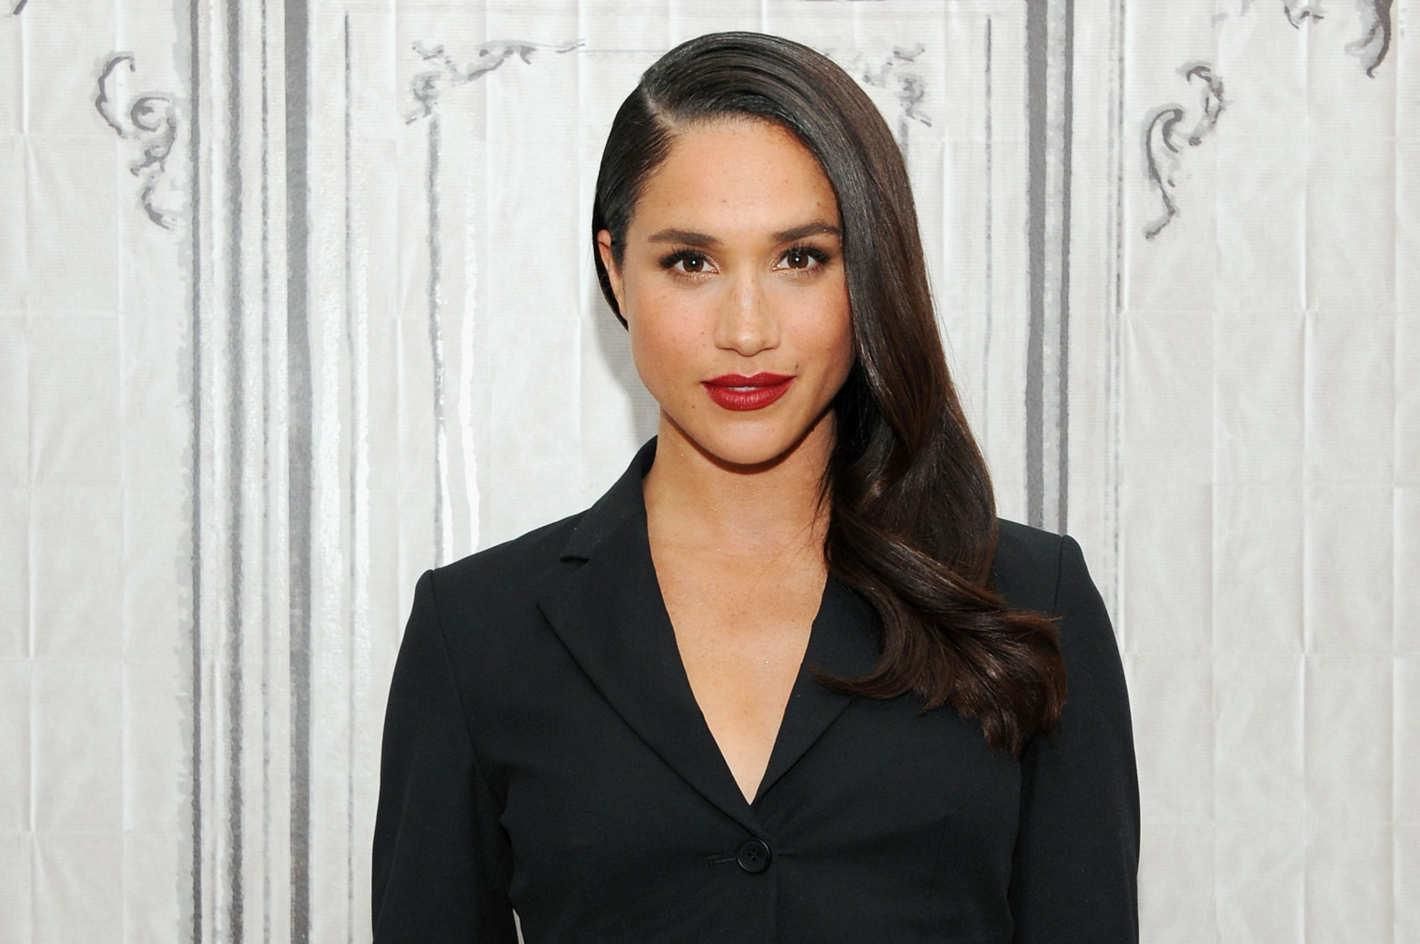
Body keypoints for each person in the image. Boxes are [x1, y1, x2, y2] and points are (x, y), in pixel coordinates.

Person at [371, 30, 1139, 943]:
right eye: (690, 262)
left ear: (869, 270)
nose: (746, 330)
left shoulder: (1030, 599)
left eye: (800, 258)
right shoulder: (476, 634)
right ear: (615, 269)